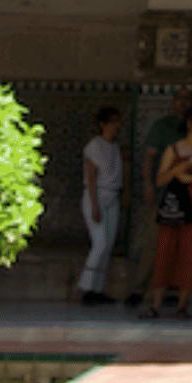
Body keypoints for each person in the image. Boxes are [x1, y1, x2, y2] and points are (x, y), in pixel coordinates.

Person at [145, 104, 192, 321]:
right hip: (173, 208)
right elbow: (160, 179)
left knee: (190, 253)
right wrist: (178, 170)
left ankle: (182, 304)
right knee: (165, 252)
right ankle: (156, 304)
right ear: (190, 124)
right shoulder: (174, 149)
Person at [71, 104, 131, 307]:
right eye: (113, 122)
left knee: (108, 245)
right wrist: (94, 205)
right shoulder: (94, 146)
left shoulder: (114, 147)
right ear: (102, 124)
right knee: (100, 243)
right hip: (96, 197)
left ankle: (98, 288)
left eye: (118, 122)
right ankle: (86, 287)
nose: (116, 126)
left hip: (112, 197)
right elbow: (91, 178)